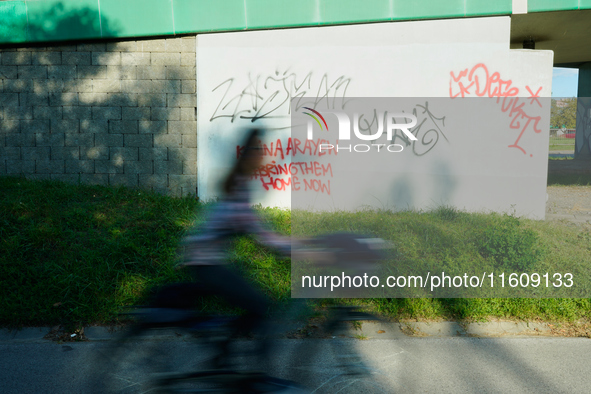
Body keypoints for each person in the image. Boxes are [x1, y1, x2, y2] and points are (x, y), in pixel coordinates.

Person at [177, 128, 292, 368]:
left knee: (250, 301)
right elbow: (264, 237)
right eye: (260, 151)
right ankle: (232, 363)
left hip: (209, 260)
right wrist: (299, 249)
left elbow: (259, 231)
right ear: (250, 156)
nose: (265, 156)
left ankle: (224, 355)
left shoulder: (240, 185)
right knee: (259, 305)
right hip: (207, 264)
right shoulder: (239, 190)